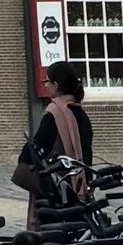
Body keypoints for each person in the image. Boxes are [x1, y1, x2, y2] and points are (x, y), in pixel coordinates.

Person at [16, 59, 95, 230]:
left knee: (51, 240)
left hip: (57, 190)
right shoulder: (81, 114)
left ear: (56, 85)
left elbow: (36, 148)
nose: (45, 85)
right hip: (80, 188)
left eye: (47, 81)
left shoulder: (54, 114)